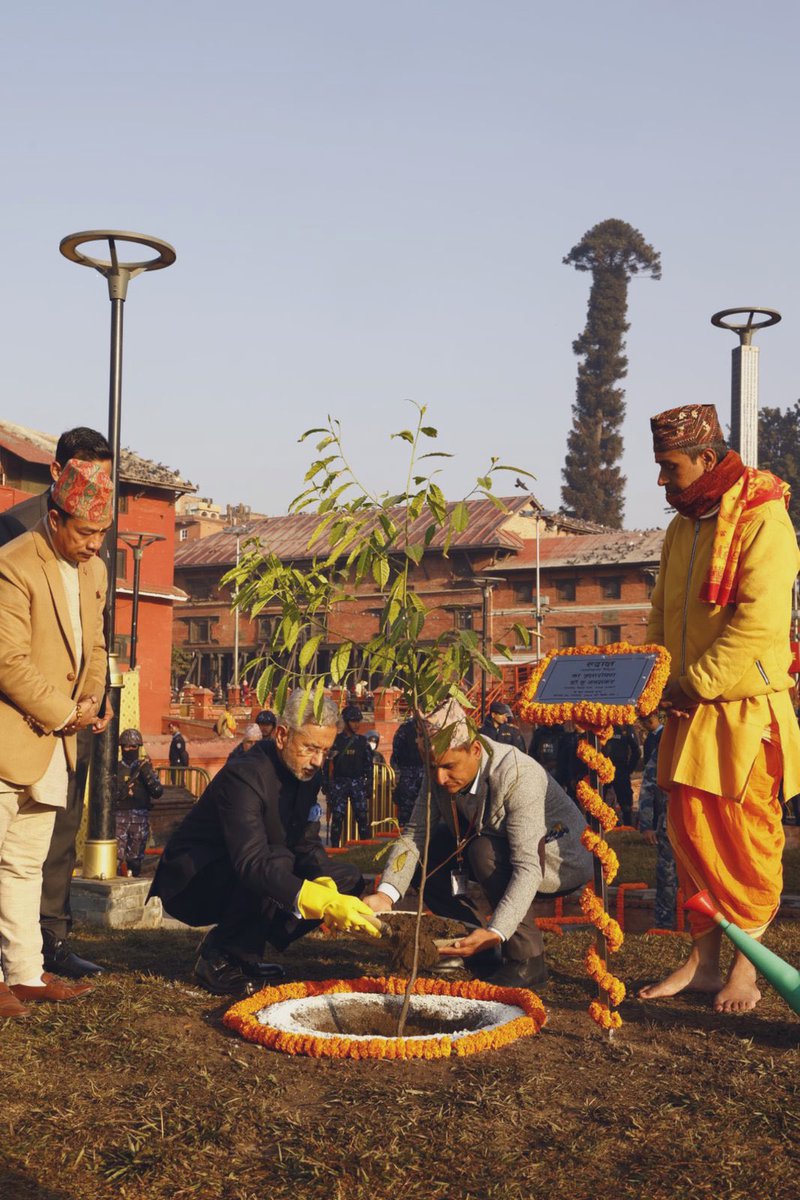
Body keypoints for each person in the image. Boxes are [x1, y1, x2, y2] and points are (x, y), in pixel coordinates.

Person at [639, 403, 800, 1013]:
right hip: (687, 711)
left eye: (669, 467)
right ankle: (703, 964)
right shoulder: (684, 525)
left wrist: (692, 683)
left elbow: (758, 626)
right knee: (689, 841)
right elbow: (660, 613)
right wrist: (653, 679)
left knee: (746, 844)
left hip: (743, 712)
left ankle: (746, 971)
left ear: (707, 459)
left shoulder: (765, 519)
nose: (661, 481)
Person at [148, 691, 379, 997]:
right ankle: (220, 956)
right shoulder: (246, 774)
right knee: (277, 860)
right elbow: (252, 861)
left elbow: (306, 845)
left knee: (346, 879)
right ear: (282, 735)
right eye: (310, 748)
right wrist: (321, 901)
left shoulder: (308, 774)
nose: (317, 761)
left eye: (326, 751)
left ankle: (248, 951)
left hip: (258, 865)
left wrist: (335, 889)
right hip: (196, 880)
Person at [364, 698, 593, 989]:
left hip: (558, 858)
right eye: (432, 766)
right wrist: (386, 894)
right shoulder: (440, 769)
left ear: (475, 750)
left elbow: (528, 866)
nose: (439, 777)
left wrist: (497, 930)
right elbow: (415, 833)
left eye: (448, 766)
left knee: (483, 851)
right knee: (430, 853)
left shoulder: (518, 775)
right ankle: (469, 944)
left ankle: (527, 960)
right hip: (495, 841)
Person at [0, 459, 112, 1018]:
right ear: (54, 517)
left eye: (102, 533)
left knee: (25, 862)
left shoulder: (94, 572)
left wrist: (91, 699)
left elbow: (95, 649)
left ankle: (22, 973)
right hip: (7, 740)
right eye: (86, 532)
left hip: (53, 744)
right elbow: (8, 661)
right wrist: (67, 712)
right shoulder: (13, 564)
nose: (95, 544)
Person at [637, 717, 677, 930]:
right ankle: (664, 924)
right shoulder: (665, 749)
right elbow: (648, 786)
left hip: (701, 828)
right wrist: (646, 824)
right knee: (667, 877)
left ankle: (706, 928)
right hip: (669, 824)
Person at [114, 729, 164, 877]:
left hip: (139, 818)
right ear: (121, 747)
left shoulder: (144, 768)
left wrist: (148, 775)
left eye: (133, 746)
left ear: (139, 747)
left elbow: (157, 792)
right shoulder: (116, 768)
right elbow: (107, 793)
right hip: (119, 817)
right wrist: (122, 792)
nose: (129, 749)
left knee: (135, 859)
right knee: (115, 857)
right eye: (126, 746)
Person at [327, 704, 372, 846]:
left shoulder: (363, 742)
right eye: (353, 721)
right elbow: (327, 764)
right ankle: (334, 849)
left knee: (362, 817)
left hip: (357, 783)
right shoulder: (336, 741)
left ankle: (366, 847)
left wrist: (369, 784)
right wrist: (326, 784)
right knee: (338, 817)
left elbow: (368, 765)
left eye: (358, 721)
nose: (356, 724)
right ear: (345, 722)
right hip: (339, 783)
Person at [603, 725, 641, 827]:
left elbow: (636, 751)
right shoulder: (602, 725)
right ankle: (603, 827)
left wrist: (629, 769)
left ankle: (628, 827)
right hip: (603, 769)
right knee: (601, 800)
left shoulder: (626, 727)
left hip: (621, 770)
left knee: (626, 804)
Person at [390, 714, 424, 827]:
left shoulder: (432, 726)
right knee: (406, 817)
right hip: (409, 776)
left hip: (422, 776)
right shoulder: (405, 729)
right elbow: (396, 754)